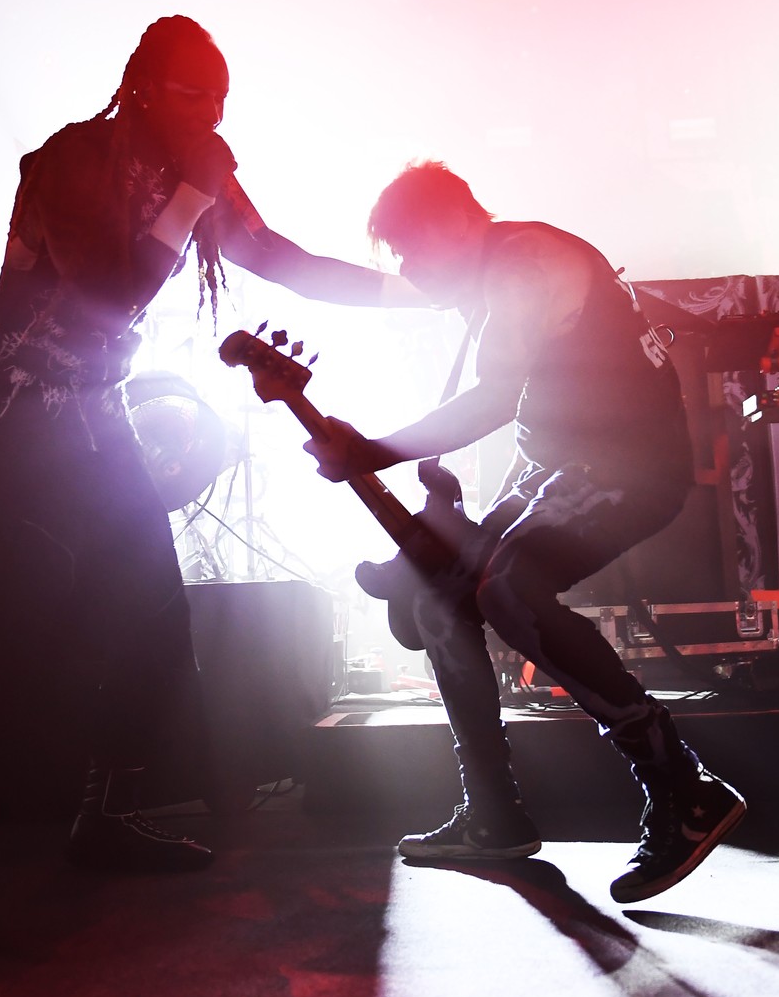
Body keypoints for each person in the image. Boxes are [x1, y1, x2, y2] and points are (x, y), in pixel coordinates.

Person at [0, 15, 419, 950]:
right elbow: (108, 287)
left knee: (152, 616)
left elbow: (280, 259)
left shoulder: (197, 169)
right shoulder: (70, 158)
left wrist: (409, 295)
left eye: (221, 96)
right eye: (192, 92)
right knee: (10, 634)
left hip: (96, 414)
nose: (211, 111)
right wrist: (189, 194)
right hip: (19, 411)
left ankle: (107, 817)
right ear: (139, 85)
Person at [303, 161, 746, 904]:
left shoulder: (523, 262)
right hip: (565, 467)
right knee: (442, 605)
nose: (411, 270)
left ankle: (683, 784)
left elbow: (495, 399)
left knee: (509, 588)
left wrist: (374, 449)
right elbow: (538, 416)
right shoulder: (489, 285)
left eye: (412, 249)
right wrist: (460, 511)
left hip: (630, 466)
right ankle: (493, 814)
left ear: (452, 221)